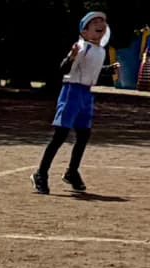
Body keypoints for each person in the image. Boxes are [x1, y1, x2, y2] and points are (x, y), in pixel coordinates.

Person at [35, 10, 110, 195]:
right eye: (95, 22)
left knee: (84, 135)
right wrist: (71, 57)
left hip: (86, 93)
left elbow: (93, 71)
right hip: (72, 91)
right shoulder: (81, 46)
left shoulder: (100, 50)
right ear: (84, 32)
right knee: (60, 135)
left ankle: (72, 171)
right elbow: (64, 68)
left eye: (102, 21)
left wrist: (109, 69)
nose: (100, 24)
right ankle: (41, 173)